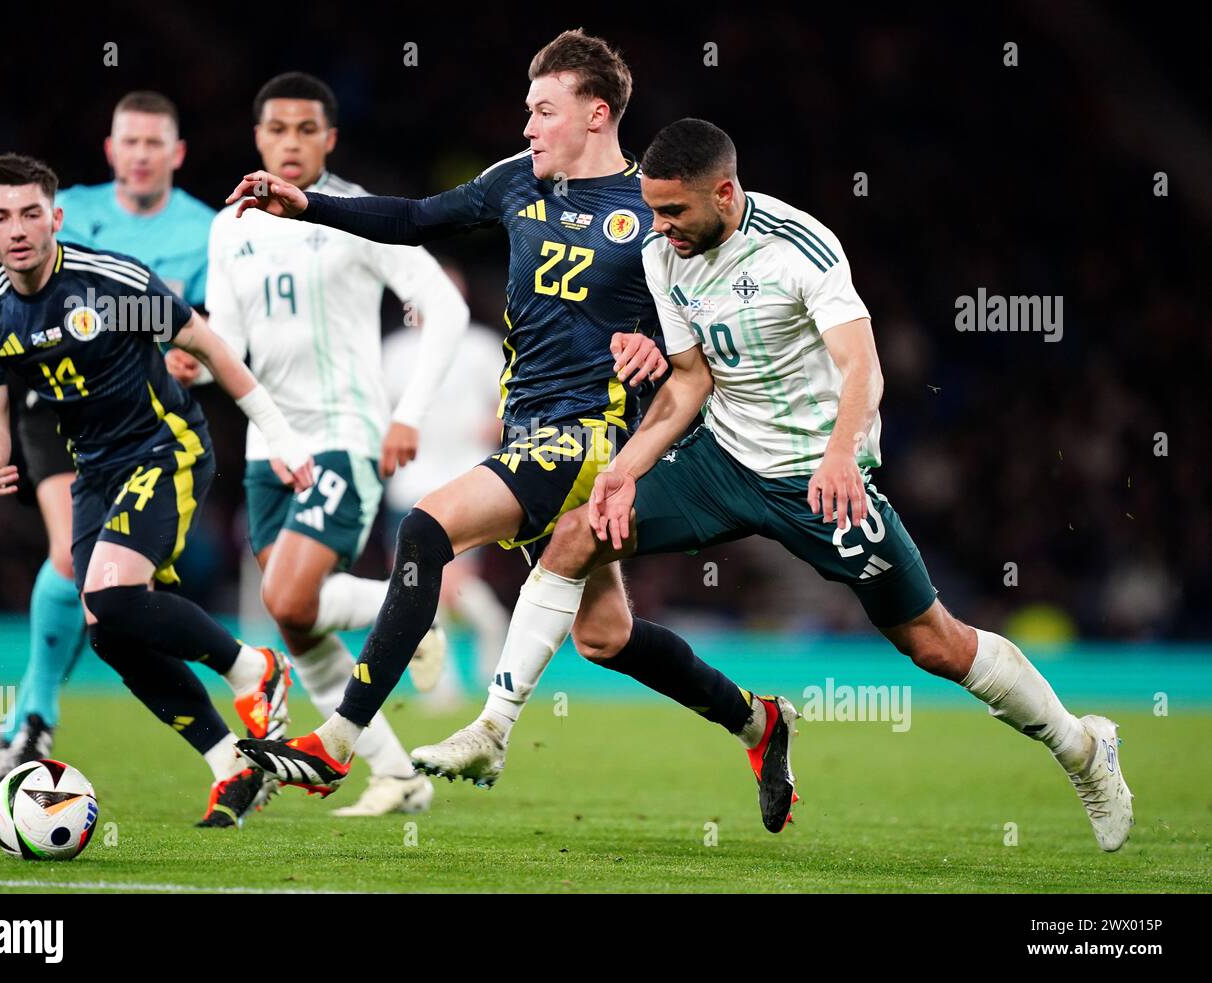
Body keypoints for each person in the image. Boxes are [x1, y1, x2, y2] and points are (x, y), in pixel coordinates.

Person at [413, 119, 1134, 851]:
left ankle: (1082, 747)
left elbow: (864, 369)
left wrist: (841, 455)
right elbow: (690, 380)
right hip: (720, 461)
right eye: (653, 211)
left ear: (724, 192)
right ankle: (494, 727)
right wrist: (624, 472)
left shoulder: (800, 246)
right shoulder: (666, 252)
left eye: (673, 212)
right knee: (574, 535)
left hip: (821, 479)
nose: (658, 229)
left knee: (934, 644)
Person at [230, 30, 667, 793]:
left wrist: (658, 346)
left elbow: (700, 316)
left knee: (424, 529)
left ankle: (338, 737)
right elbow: (413, 218)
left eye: (543, 110)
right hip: (529, 428)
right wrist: (309, 206)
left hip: (589, 437)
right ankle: (757, 721)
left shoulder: (654, 205)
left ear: (597, 114)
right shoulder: (517, 183)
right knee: (605, 635)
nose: (527, 127)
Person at [0, 153, 313, 828]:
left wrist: (280, 433)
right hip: (94, 470)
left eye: (32, 213)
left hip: (167, 445)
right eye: (1, 216)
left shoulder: (109, 283)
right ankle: (228, 764)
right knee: (109, 632)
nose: (18, 228)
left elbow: (209, 345)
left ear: (56, 217)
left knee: (113, 594)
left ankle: (253, 667)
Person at [193, 71, 468, 816]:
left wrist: (408, 411)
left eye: (305, 130)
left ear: (330, 139)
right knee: (294, 618)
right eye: (276, 129)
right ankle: (398, 774)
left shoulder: (352, 215)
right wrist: (196, 356)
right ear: (257, 137)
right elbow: (232, 339)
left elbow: (442, 304)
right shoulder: (231, 226)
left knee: (287, 594)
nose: (290, 142)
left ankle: (412, 612)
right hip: (265, 446)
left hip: (346, 437)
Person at [0, 91, 216, 780]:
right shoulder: (60, 209)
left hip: (138, 418)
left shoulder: (207, 231)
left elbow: (211, 331)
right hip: (49, 405)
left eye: (155, 143)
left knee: (93, 577)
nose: (140, 154)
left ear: (175, 154)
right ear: (111, 149)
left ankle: (26, 716)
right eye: (129, 141)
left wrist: (194, 366)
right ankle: (36, 713)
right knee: (68, 556)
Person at [381, 263, 510, 703]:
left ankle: (468, 651)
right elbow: (378, 410)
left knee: (448, 581)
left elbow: (508, 403)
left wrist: (491, 429)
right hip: (408, 480)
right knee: (412, 580)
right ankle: (457, 662)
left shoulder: (479, 347)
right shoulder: (395, 352)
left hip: (464, 476)